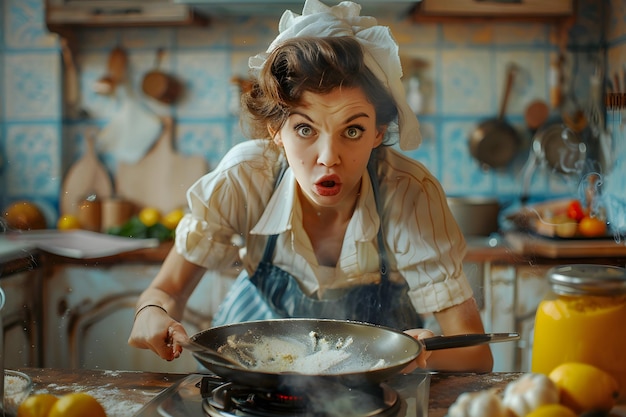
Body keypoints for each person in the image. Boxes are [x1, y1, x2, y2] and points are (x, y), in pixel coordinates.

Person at [128, 0, 493, 373]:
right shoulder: (244, 179)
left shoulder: (408, 193)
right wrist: (151, 314)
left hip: (374, 390)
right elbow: (166, 292)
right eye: (305, 129)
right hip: (254, 377)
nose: (328, 157)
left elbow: (477, 356)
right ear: (276, 131)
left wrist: (426, 352)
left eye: (353, 130)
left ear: (378, 133)